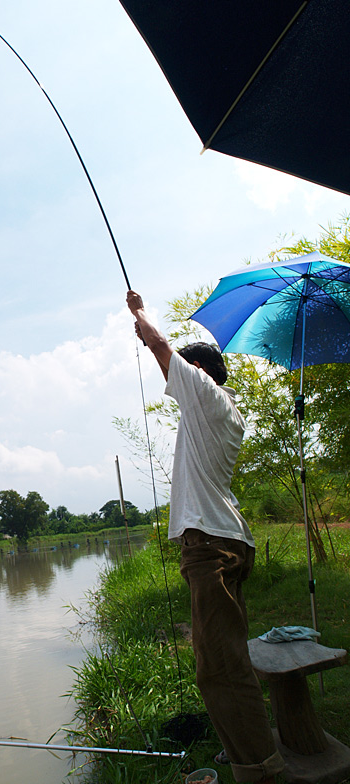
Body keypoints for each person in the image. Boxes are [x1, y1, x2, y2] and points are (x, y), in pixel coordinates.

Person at [126, 290, 284, 784]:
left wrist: (139, 312)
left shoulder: (201, 391)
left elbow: (158, 345)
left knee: (219, 667)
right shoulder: (227, 412)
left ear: (197, 371)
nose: (174, 378)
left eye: (183, 369)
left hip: (210, 546)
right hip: (232, 539)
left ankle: (258, 768)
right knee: (228, 655)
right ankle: (247, 751)